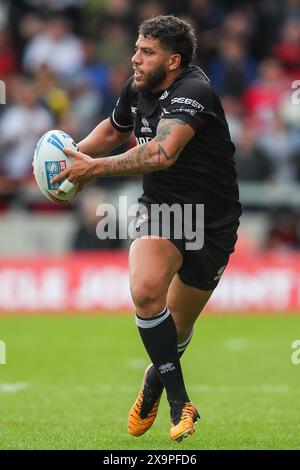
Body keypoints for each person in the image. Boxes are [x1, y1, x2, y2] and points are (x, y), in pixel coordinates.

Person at [51, 15, 242, 442]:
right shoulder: (138, 86)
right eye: (137, 48)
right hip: (162, 211)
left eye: (146, 52)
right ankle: (180, 401)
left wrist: (94, 169)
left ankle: (153, 383)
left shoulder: (194, 91)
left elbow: (163, 153)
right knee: (146, 291)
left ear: (173, 61)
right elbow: (114, 129)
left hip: (213, 221)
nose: (135, 58)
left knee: (179, 326)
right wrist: (71, 159)